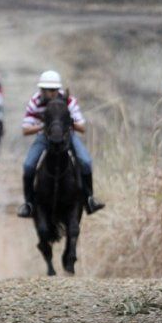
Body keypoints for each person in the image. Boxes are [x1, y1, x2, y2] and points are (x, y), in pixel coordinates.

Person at [17, 70, 105, 218]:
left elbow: (82, 127)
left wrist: (67, 122)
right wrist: (44, 126)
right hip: (44, 136)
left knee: (85, 161)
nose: (49, 93)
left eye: (52, 90)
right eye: (45, 89)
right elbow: (25, 130)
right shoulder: (35, 102)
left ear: (58, 90)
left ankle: (89, 199)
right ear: (41, 90)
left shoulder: (69, 101)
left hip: (67, 136)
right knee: (28, 165)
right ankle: (29, 204)